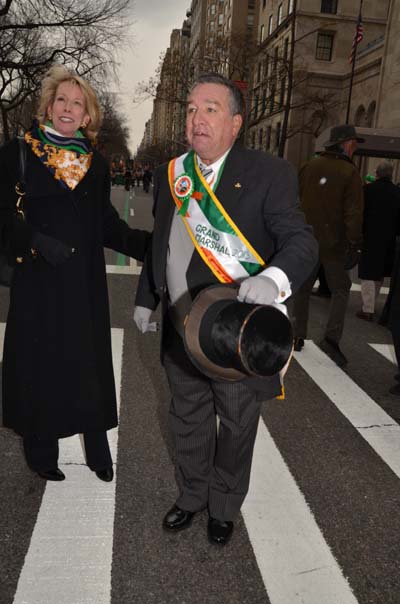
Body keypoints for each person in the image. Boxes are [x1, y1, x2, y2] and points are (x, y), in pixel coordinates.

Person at [133, 73, 317, 546]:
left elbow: (300, 241)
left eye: (210, 109)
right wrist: (145, 295)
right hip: (180, 325)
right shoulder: (171, 174)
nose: (197, 119)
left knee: (236, 425)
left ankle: (224, 503)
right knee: (187, 416)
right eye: (192, 109)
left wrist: (272, 278)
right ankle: (192, 495)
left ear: (235, 123)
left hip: (234, 333)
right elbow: (164, 244)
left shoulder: (269, 173)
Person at [0, 65, 149, 483]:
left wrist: (147, 245)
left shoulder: (96, 164)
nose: (67, 108)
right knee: (41, 362)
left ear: (87, 116)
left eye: (76, 103)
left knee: (88, 363)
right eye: (60, 100)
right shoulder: (18, 154)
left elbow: (105, 223)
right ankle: (41, 448)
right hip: (38, 281)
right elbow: (2, 216)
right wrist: (34, 239)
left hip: (83, 282)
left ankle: (98, 448)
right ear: (48, 107)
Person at [292, 124, 364, 367]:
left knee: (302, 289)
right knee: (341, 289)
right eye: (353, 143)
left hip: (307, 240)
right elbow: (353, 212)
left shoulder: (308, 166)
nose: (354, 147)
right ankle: (331, 339)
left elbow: (295, 201)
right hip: (333, 243)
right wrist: (355, 243)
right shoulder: (349, 172)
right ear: (344, 144)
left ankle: (296, 334)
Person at [356, 161, 400, 322]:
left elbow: (360, 213)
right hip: (389, 238)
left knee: (368, 272)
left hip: (371, 236)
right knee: (380, 273)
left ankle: (368, 308)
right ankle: (371, 305)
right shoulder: (397, 192)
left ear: (377, 173)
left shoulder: (368, 191)